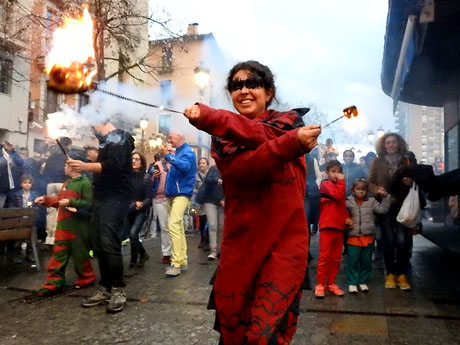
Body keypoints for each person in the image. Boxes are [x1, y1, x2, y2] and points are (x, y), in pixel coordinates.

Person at [184, 60, 321, 344]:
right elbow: (246, 167)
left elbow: (265, 135)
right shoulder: (224, 139)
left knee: (265, 334)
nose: (244, 91)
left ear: (268, 92)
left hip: (283, 245)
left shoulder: (289, 124)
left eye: (252, 84)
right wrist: (290, 144)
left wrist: (210, 117)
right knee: (233, 332)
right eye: (236, 86)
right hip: (241, 246)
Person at [67, 120, 135, 313]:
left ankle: (118, 289)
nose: (93, 132)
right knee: (97, 242)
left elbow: (113, 166)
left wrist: (85, 166)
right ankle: (106, 287)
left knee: (108, 242)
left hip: (116, 198)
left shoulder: (119, 138)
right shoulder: (108, 143)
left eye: (93, 127)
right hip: (102, 198)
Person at [34, 162, 95, 296]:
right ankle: (54, 283)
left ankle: (87, 277)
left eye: (66, 166)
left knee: (80, 255)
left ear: (72, 168)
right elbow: (60, 201)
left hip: (78, 228)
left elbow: (89, 203)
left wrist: (72, 202)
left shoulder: (85, 183)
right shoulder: (67, 183)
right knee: (58, 255)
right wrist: (46, 200)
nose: (64, 168)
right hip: (63, 227)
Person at [368, 133, 413, 290]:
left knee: (402, 240)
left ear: (399, 144)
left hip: (403, 205)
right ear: (384, 145)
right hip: (386, 205)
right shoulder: (377, 161)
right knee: (389, 240)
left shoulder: (407, 160)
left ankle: (402, 274)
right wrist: (377, 190)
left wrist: (410, 181)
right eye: (388, 143)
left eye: (394, 142)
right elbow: (370, 182)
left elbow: (416, 178)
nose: (391, 145)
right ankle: (390, 274)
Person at [159, 132, 197, 277]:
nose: (169, 140)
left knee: (174, 225)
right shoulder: (179, 152)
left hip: (182, 194)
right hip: (173, 194)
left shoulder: (188, 152)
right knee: (178, 227)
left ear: (180, 137)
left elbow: (185, 167)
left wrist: (168, 156)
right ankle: (182, 261)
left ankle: (175, 264)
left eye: (171, 138)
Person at [345, 179, 390, 293]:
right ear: (353, 190)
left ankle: (362, 281)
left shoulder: (371, 201)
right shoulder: (347, 202)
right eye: (358, 189)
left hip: (368, 237)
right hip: (353, 237)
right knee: (353, 261)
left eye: (363, 190)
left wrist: (385, 197)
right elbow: (342, 214)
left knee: (366, 262)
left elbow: (382, 209)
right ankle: (352, 282)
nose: (361, 192)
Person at [315, 160, 349, 298]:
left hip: (338, 226)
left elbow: (341, 204)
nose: (337, 175)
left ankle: (331, 283)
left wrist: (347, 216)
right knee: (325, 257)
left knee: (335, 258)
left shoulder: (339, 186)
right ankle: (320, 284)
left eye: (338, 171)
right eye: (333, 171)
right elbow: (337, 195)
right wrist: (342, 182)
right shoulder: (325, 184)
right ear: (327, 173)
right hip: (327, 225)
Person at [124, 151, 152, 276]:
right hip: (128, 209)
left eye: (137, 159)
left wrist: (142, 203)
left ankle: (132, 264)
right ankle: (143, 254)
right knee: (131, 235)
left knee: (133, 233)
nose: (134, 161)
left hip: (140, 210)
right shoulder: (126, 176)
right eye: (132, 158)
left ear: (142, 162)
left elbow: (149, 196)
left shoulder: (146, 177)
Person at [6, 174, 40, 263]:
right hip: (19, 220)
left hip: (30, 220)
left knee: (32, 236)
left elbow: (38, 208)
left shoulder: (35, 194)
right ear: (21, 184)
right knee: (18, 237)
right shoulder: (15, 195)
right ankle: (17, 254)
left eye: (29, 183)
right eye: (25, 182)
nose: (27, 184)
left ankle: (29, 254)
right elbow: (11, 208)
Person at [200, 165, 224, 260]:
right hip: (210, 201)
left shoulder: (229, 166)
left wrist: (225, 198)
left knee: (222, 227)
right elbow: (207, 180)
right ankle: (213, 251)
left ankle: (220, 250)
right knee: (212, 225)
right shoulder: (213, 168)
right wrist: (216, 179)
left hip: (223, 202)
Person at [150, 154, 171, 264]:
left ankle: (176, 252)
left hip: (174, 197)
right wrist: (155, 176)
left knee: (174, 226)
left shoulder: (177, 163)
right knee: (164, 227)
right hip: (160, 197)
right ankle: (166, 253)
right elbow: (151, 180)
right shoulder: (158, 165)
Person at [194, 158, 210, 250]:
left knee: (209, 221)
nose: (201, 165)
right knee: (202, 221)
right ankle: (202, 239)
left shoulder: (211, 175)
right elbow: (193, 188)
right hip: (200, 202)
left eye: (203, 163)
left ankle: (208, 240)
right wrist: (199, 192)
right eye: (200, 163)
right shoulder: (196, 176)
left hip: (209, 201)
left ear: (207, 165)